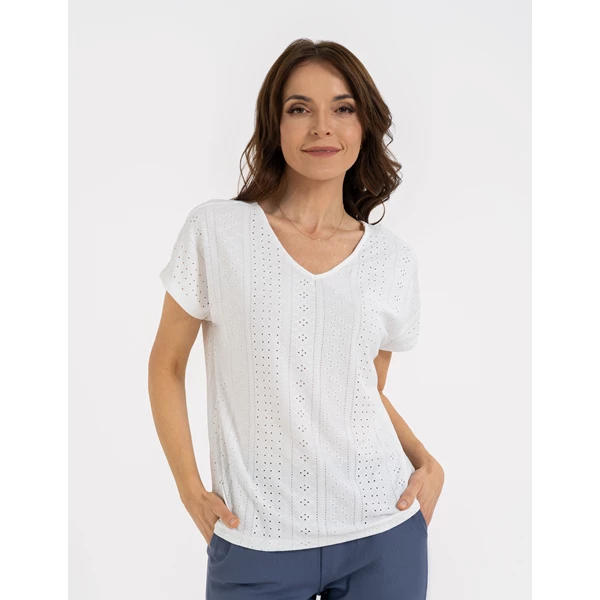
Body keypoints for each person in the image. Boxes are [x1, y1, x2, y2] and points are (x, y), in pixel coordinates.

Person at [148, 38, 444, 600]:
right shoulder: (216, 232)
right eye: (299, 108)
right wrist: (189, 488)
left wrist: (425, 459)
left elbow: (363, 389)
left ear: (364, 126)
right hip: (255, 540)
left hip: (383, 532)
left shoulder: (392, 260)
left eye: (342, 108)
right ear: (275, 124)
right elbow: (166, 365)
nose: (321, 127)